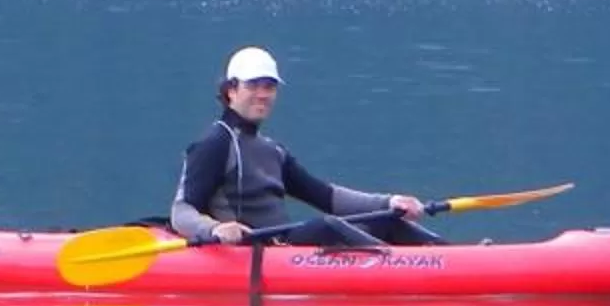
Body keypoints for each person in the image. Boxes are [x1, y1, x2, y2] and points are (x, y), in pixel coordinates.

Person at [170, 46, 443, 250]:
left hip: (283, 246)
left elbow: (326, 196)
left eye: (270, 86)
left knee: (385, 219)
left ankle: (452, 254)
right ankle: (404, 266)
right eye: (253, 85)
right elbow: (181, 212)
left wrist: (389, 202)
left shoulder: (272, 150)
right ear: (231, 90)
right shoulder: (215, 143)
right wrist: (216, 228)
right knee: (326, 226)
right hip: (257, 250)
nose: (263, 94)